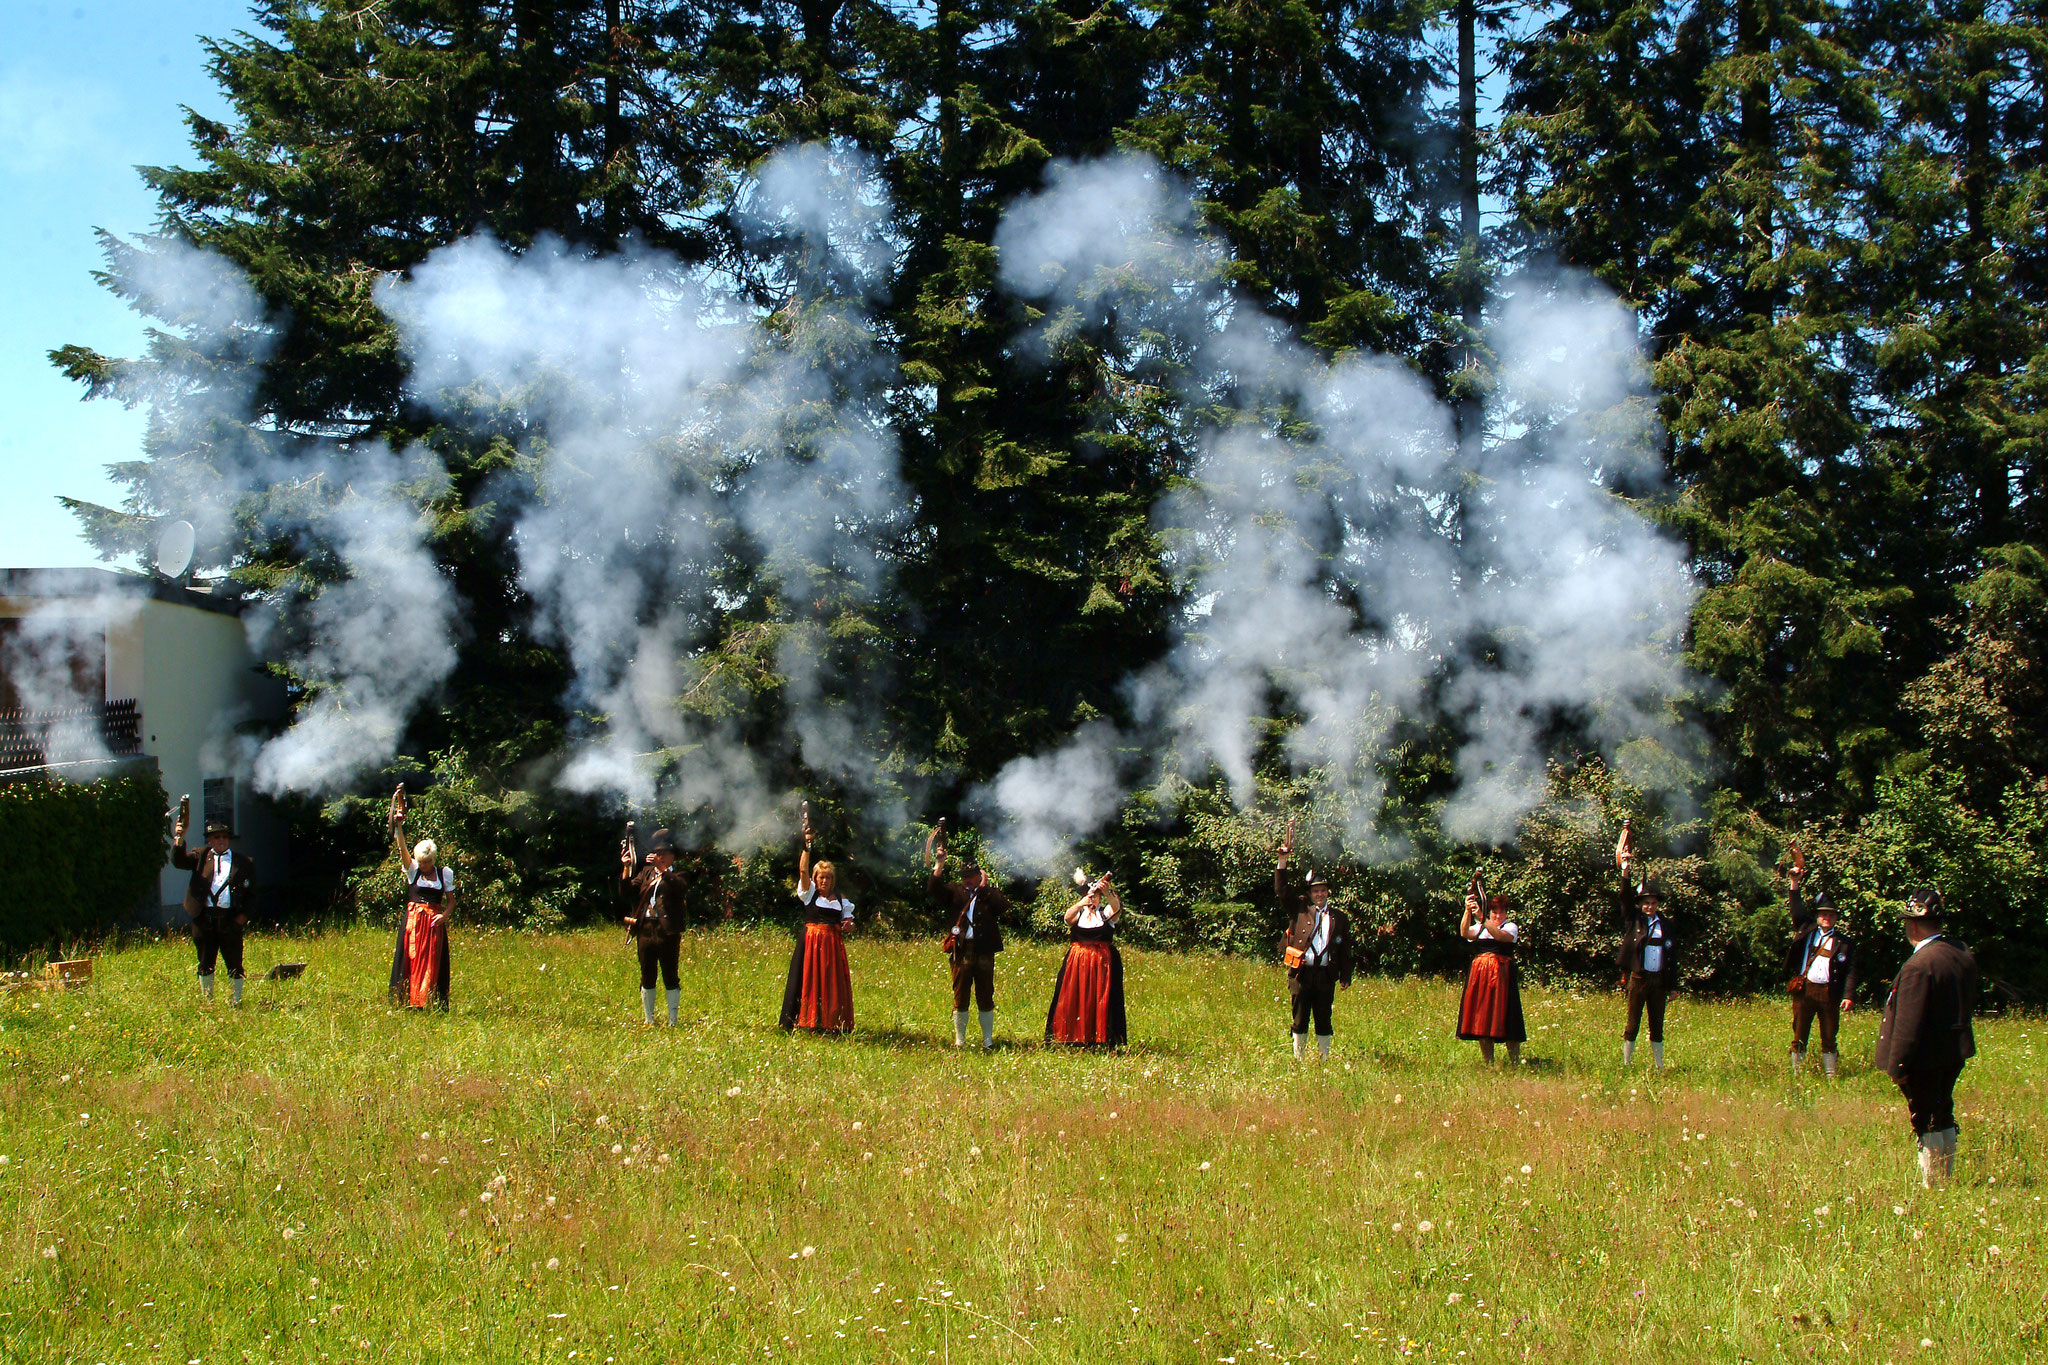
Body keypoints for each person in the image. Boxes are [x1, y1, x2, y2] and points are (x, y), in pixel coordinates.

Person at [1873, 888, 1977, 1187]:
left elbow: (1909, 1022)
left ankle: (1933, 1185)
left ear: (1914, 926)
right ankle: (1945, 1179)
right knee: (1944, 1110)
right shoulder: (1960, 952)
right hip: (1953, 1049)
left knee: (1925, 1117)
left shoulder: (1919, 965)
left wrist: (1897, 1066)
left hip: (1924, 1055)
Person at [1275, 818, 1352, 1061]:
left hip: (1325, 974)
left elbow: (1346, 948)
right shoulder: (1300, 908)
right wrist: (1282, 861)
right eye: (1315, 891)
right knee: (1299, 1017)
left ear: (1328, 892)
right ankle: (1298, 1059)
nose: (1319, 894)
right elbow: (1281, 891)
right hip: (1301, 972)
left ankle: (1324, 1059)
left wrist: (1346, 975)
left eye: (1323, 890)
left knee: (1323, 1018)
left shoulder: (1339, 917)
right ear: (1310, 893)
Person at [928, 824, 1011, 1050]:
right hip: (961, 949)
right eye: (965, 876)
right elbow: (935, 890)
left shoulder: (987, 893)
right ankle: (959, 1041)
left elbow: (1003, 906)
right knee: (960, 994)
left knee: (986, 995)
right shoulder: (954, 891)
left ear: (979, 875)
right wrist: (939, 865)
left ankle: (988, 1041)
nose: (968, 880)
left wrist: (985, 888)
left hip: (984, 949)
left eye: (972, 876)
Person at [780, 808, 854, 1033]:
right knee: (807, 980)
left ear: (832, 880)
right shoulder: (809, 892)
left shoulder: (841, 900)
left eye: (828, 877)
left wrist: (850, 925)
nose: (824, 881)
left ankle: (831, 1024)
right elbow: (802, 869)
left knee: (831, 984)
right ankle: (804, 1022)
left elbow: (850, 922)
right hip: (810, 943)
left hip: (832, 946)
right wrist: (806, 846)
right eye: (821, 877)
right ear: (815, 878)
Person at [1783, 854, 1857, 1077]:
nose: (1826, 918)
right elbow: (1796, 909)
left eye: (1830, 915)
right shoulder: (1807, 930)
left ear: (1835, 918)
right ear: (1817, 916)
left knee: (1829, 1035)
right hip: (1805, 990)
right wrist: (1794, 883)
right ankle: (1797, 1073)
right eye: (1823, 914)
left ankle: (1831, 1076)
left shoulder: (1845, 942)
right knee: (1799, 1033)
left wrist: (1848, 995)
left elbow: (1851, 971)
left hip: (1829, 993)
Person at [171, 811, 252, 1005]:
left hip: (230, 919)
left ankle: (236, 1001)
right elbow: (179, 861)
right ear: (209, 840)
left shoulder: (244, 862)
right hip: (204, 918)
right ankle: (208, 1002)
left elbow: (253, 894)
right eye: (217, 837)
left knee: (234, 962)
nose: (221, 840)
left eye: (224, 837)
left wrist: (243, 917)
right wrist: (180, 837)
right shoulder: (200, 855)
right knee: (206, 961)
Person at [1615, 820, 1674, 1069]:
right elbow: (1625, 898)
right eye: (1646, 902)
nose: (1650, 906)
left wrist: (1673, 986)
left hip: (1659, 980)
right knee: (1632, 1023)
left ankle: (1659, 1066)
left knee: (1657, 1025)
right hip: (1639, 978)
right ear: (1641, 904)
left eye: (1653, 903)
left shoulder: (1667, 924)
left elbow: (1672, 957)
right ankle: (1627, 1063)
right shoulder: (1634, 919)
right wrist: (1625, 872)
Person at [386, 788, 453, 1009]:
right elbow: (402, 849)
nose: (422, 865)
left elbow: (451, 901)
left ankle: (427, 1001)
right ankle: (409, 1001)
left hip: (433, 924)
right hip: (414, 923)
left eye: (426, 862)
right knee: (411, 959)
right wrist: (399, 826)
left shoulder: (444, 873)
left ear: (432, 860)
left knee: (431, 962)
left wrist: (444, 916)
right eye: (420, 861)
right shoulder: (413, 870)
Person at [1045, 873, 1127, 1048]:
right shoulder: (1079, 913)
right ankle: (1071, 1036)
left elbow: (1116, 910)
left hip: (1102, 963)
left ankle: (1101, 1038)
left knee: (1101, 998)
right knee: (1073, 996)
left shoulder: (1105, 913)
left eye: (1095, 896)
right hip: (1078, 963)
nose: (1092, 900)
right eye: (1090, 896)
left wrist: (1108, 894)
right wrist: (1081, 903)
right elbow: (1067, 918)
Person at [621, 827, 688, 1027]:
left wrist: (663, 871)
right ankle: (649, 1020)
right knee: (647, 974)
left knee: (670, 975)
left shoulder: (680, 874)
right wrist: (626, 868)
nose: (660, 857)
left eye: (664, 854)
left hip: (667, 931)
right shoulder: (646, 873)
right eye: (657, 854)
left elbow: (680, 888)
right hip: (646, 929)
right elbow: (627, 892)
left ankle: (672, 1020)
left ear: (672, 856)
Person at [1455, 877, 1525, 1064]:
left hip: (1502, 976)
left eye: (1501, 912)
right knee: (1482, 1018)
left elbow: (1500, 936)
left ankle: (1515, 1062)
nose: (1498, 916)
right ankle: (1489, 1063)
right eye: (1494, 912)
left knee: (1508, 1017)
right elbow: (1464, 932)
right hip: (1480, 976)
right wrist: (1468, 911)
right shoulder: (1479, 927)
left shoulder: (1510, 927)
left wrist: (1482, 917)